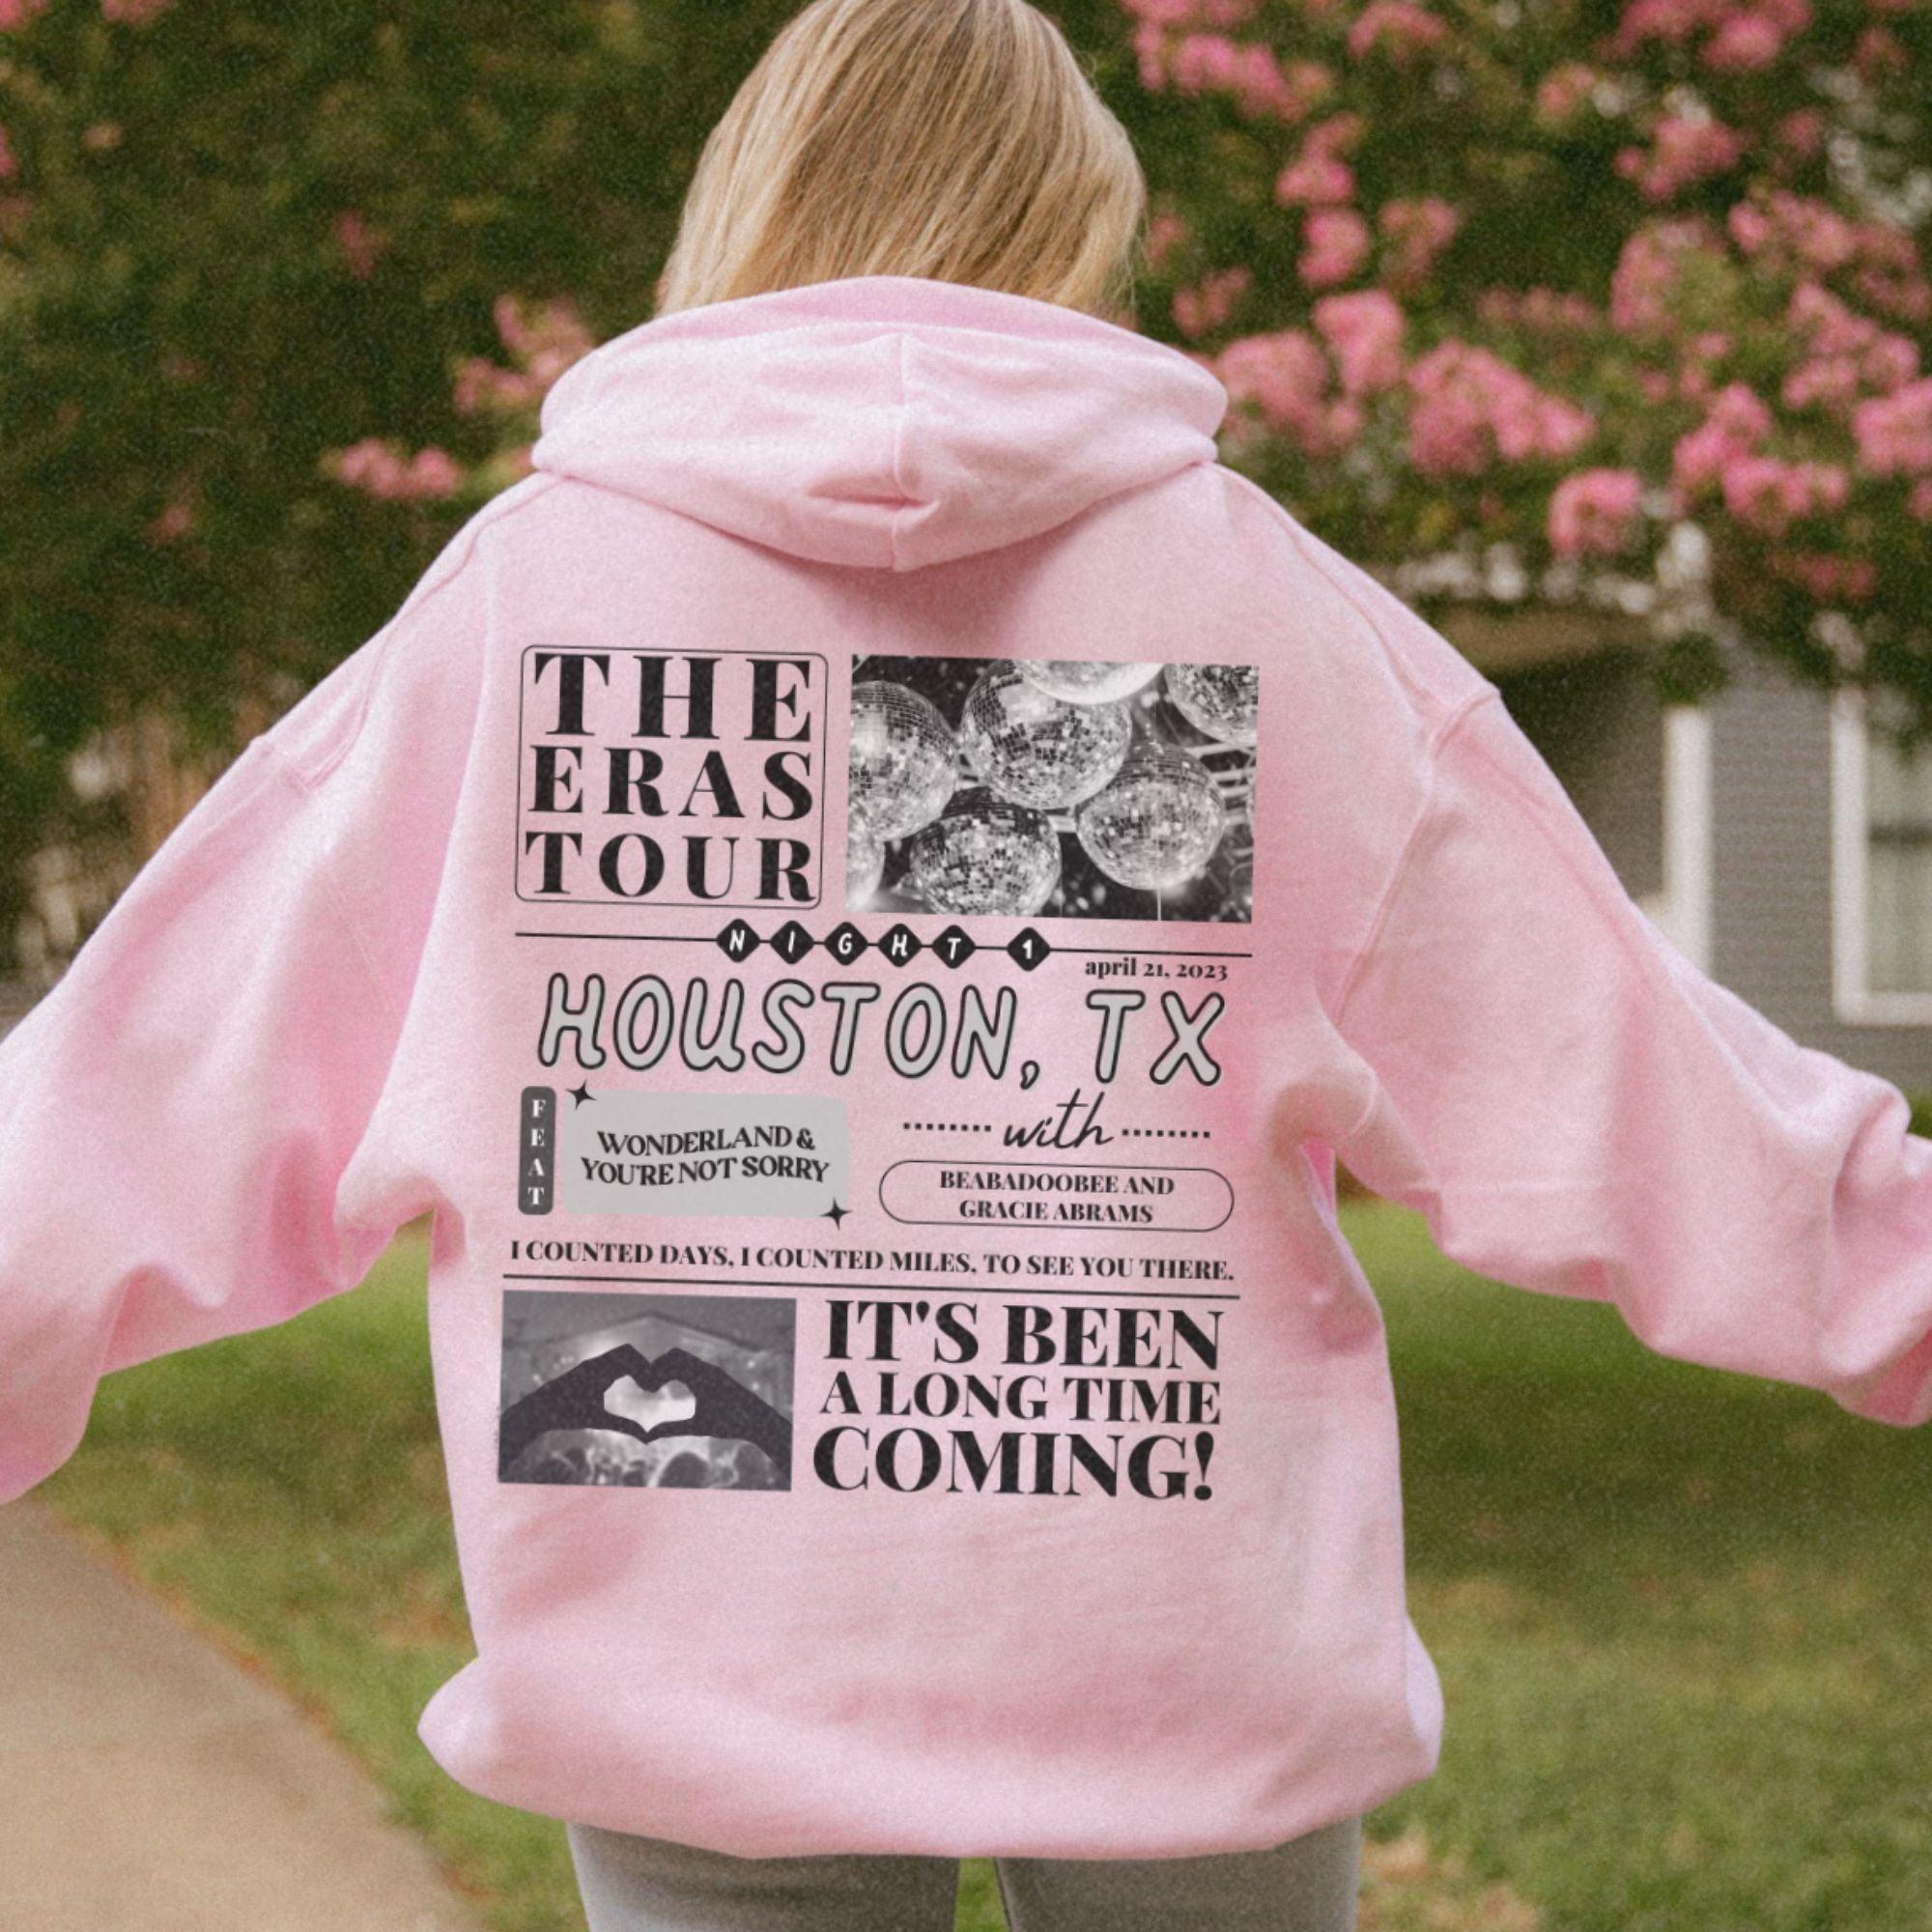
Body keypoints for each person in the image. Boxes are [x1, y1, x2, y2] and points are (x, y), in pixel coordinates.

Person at [2, 0, 1928, 1928]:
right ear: (1066, 228)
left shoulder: (516, 614)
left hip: (705, 1644)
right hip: (1184, 1654)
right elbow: (1611, 1068)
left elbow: (161, 1075)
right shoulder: (1265, 606)